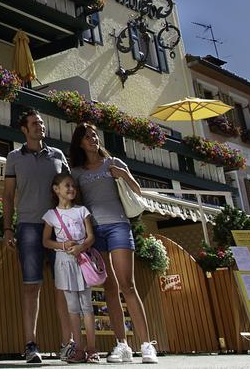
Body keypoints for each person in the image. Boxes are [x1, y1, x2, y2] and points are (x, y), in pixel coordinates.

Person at [70, 122, 158, 364]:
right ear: (80, 142)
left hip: (119, 225)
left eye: (95, 136)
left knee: (127, 285)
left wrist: (125, 175)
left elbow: (137, 192)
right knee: (109, 288)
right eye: (88, 137)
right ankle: (122, 345)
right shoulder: (77, 171)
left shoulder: (114, 163)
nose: (93, 140)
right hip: (94, 231)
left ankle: (146, 345)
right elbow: (75, 202)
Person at [3, 109, 74, 364]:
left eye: (42, 123)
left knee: (63, 286)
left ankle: (68, 344)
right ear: (24, 129)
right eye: (34, 123)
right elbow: (8, 196)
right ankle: (31, 345)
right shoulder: (13, 157)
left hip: (59, 228)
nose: (40, 127)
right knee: (31, 286)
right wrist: (8, 229)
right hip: (28, 226)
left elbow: (70, 190)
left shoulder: (58, 156)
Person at [42, 172, 99, 364]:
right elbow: (46, 241)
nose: (71, 189)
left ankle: (92, 350)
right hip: (64, 264)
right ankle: (79, 350)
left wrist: (81, 247)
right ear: (56, 189)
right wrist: (64, 246)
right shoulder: (51, 215)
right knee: (72, 308)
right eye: (67, 185)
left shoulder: (82, 210)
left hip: (82, 263)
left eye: (73, 185)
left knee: (87, 307)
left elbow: (91, 236)